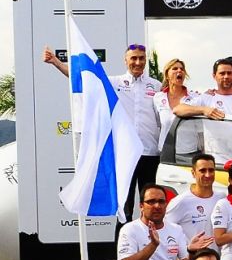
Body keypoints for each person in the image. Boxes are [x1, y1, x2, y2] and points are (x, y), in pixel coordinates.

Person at [44, 43, 162, 221]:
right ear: (126, 60)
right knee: (124, 207)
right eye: (133, 58)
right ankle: (123, 247)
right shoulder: (115, 82)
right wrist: (56, 63)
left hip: (150, 154)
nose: (138, 62)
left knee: (153, 206)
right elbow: (84, 79)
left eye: (141, 58)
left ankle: (153, 246)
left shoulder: (156, 85)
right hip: (125, 154)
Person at [174, 59, 232, 164]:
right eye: (222, 73)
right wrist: (204, 110)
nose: (226, 76)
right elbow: (178, 109)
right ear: (214, 76)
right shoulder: (207, 98)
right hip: (216, 163)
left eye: (229, 73)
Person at [164, 153, 221, 260]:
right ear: (193, 173)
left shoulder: (222, 198)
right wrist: (181, 253)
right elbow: (166, 232)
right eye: (202, 170)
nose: (207, 175)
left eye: (211, 170)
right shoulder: (181, 202)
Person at [153, 58, 200, 154]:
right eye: (175, 68)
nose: (179, 71)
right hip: (165, 152)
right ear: (167, 75)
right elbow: (158, 123)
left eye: (182, 69)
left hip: (189, 152)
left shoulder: (195, 98)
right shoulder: (158, 97)